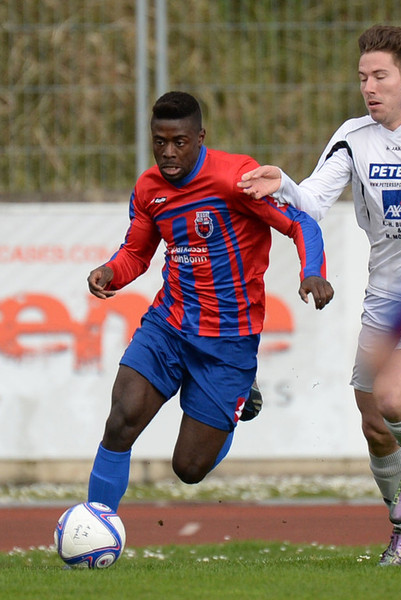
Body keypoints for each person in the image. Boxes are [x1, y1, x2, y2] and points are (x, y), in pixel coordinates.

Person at [238, 25, 401, 566]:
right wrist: (283, 183)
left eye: (380, 76)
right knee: (375, 426)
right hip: (386, 299)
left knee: (394, 400)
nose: (369, 88)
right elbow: (313, 201)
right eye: (363, 78)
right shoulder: (353, 137)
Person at [86, 91, 334, 514]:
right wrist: (111, 271)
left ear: (200, 138)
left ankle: (239, 404)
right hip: (168, 326)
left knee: (189, 468)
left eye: (179, 142)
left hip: (228, 339)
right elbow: (137, 252)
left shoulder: (236, 178)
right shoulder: (148, 189)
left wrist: (312, 271)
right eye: (159, 142)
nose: (168, 152)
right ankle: (94, 528)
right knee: (122, 418)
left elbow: (300, 223)